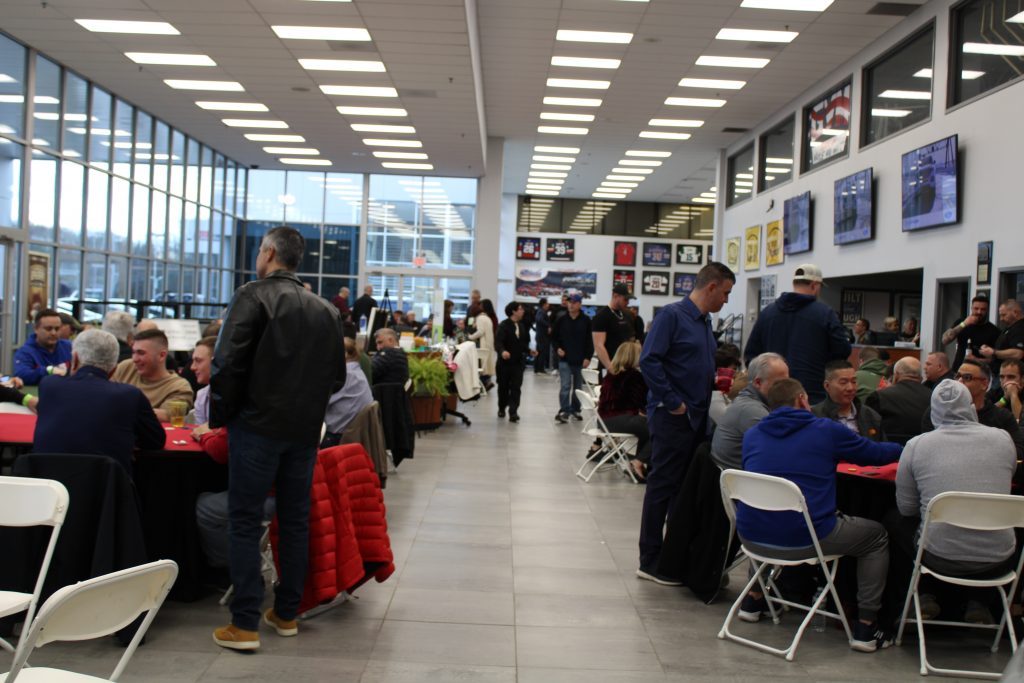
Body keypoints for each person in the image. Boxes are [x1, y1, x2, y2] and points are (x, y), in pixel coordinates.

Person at [209, 225, 345, 650]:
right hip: (304, 431)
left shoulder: (253, 296)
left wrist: (223, 416)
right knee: (294, 519)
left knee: (245, 520)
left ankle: (245, 622)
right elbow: (337, 377)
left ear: (268, 253)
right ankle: (286, 613)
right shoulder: (326, 310)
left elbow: (226, 363)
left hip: (256, 426)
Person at [737, 378, 902, 652]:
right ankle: (866, 625)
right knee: (877, 537)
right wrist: (911, 448)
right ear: (803, 400)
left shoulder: (752, 434)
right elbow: (873, 454)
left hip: (752, 536)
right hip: (807, 536)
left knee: (768, 511)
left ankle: (754, 599)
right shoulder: (824, 430)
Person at [637, 262, 734, 584]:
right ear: (711, 287)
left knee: (683, 490)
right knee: (663, 486)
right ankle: (649, 559)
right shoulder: (671, 316)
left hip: (696, 418)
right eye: (725, 293)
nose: (726, 301)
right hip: (673, 417)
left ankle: (673, 556)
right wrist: (672, 400)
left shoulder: (704, 323)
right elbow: (649, 360)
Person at [890, 380, 1016, 622]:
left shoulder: (917, 445)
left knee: (896, 522)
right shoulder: (1003, 439)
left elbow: (906, 508)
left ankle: (922, 594)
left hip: (939, 557)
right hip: (999, 559)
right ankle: (980, 601)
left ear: (932, 410)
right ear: (971, 406)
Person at [33, 329, 165, 474]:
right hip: (106, 490)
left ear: (75, 359)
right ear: (114, 370)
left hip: (49, 488)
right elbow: (155, 441)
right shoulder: (129, 395)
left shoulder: (48, 385)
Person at [742, 264, 850, 404]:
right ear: (814, 286)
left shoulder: (767, 313)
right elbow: (842, 351)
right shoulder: (825, 314)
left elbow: (751, 356)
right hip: (811, 395)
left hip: (772, 397)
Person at [922, 360, 1024, 471]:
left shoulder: (1002, 417)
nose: (959, 382)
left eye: (967, 378)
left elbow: (1018, 453)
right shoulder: (937, 411)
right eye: (958, 376)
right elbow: (929, 449)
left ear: (984, 384)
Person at [709, 352, 789, 471]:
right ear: (758, 383)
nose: (786, 389)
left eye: (787, 383)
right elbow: (782, 450)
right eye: (778, 384)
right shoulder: (751, 410)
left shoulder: (750, 402)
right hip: (741, 484)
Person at [111, 329, 194, 421]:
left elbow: (168, 416)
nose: (135, 359)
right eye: (133, 352)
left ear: (162, 355)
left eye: (141, 353)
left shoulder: (179, 387)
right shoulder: (126, 367)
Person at [597, 341, 650, 481]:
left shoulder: (611, 373)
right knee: (658, 429)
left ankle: (640, 464)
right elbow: (642, 402)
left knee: (646, 429)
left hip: (602, 421)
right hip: (620, 418)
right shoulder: (634, 376)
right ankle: (638, 462)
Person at [865, 357, 932, 446]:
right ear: (920, 378)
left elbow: (867, 429)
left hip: (888, 453)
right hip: (923, 450)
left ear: (896, 375)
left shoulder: (879, 396)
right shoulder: (933, 397)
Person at [812, 360, 885, 440]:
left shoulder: (871, 416)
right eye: (843, 382)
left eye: (854, 382)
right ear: (827, 386)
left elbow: (881, 449)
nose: (850, 388)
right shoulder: (814, 417)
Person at [551, 292, 593, 424]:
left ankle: (575, 409)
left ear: (580, 304)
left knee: (578, 387)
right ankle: (564, 410)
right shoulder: (561, 319)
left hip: (580, 359)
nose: (571, 305)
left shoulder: (586, 320)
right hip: (565, 360)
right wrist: (557, 348)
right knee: (565, 386)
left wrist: (588, 357)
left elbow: (590, 340)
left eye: (574, 302)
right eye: (569, 302)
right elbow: (553, 337)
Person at [324, 338, 374, 438]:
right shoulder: (356, 371)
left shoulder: (346, 375)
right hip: (352, 432)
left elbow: (321, 403)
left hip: (338, 435)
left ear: (345, 354)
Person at [940, 295, 1000, 371]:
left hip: (979, 373)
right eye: (976, 308)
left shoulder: (994, 331)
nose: (979, 312)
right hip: (958, 370)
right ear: (971, 308)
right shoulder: (961, 323)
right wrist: (964, 324)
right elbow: (945, 340)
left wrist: (976, 360)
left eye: (983, 309)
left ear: (987, 310)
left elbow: (994, 359)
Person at [494, 301, 532, 422]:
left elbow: (522, 343)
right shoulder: (503, 326)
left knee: (516, 387)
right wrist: (502, 351)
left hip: (518, 363)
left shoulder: (521, 326)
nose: (523, 311)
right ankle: (501, 408)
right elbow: (498, 342)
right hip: (504, 364)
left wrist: (529, 350)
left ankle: (513, 411)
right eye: (520, 309)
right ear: (514, 311)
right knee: (503, 387)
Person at [14, 308, 72, 385]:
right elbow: (22, 375)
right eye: (48, 329)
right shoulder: (25, 352)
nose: (53, 333)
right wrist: (49, 370)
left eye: (57, 329)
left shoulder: (69, 347)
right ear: (36, 329)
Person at [592, 284, 636, 378]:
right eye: (625, 299)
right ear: (615, 296)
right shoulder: (601, 316)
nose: (628, 302)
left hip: (626, 367)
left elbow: (631, 340)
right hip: (610, 367)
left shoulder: (627, 315)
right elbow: (599, 345)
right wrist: (610, 368)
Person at [978, 299, 1024, 380]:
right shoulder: (1009, 328)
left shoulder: (1020, 328)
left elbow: (1018, 353)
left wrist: (994, 352)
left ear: (1015, 313)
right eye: (1000, 315)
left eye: (1004, 315)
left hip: (1010, 376)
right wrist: (990, 351)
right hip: (999, 373)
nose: (1001, 319)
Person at [469, 299, 497, 391]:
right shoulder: (487, 317)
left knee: (481, 365)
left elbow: (480, 331)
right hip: (489, 344)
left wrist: (471, 337)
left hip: (483, 344)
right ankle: (486, 382)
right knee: (486, 364)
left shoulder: (480, 318)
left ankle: (483, 384)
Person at [988, 359, 1024, 425]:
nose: (1005, 381)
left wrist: (1013, 395)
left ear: (1022, 379)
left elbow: (1022, 423)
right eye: (1002, 377)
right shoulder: (995, 392)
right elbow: (985, 416)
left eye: (1011, 377)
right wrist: (1004, 399)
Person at [191, 336, 216, 424]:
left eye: (198, 360)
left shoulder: (239, 397)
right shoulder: (201, 395)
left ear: (215, 362)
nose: (192, 367)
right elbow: (199, 432)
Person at [533, 298, 551, 375]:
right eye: (547, 303)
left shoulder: (541, 311)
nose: (548, 305)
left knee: (539, 352)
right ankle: (540, 369)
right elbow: (539, 319)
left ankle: (537, 369)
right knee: (541, 352)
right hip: (542, 336)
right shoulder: (541, 312)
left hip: (540, 335)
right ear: (544, 304)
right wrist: (548, 326)